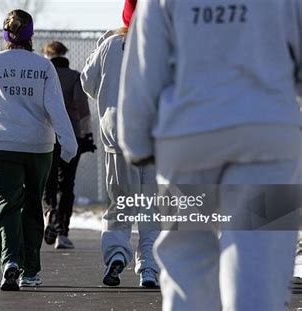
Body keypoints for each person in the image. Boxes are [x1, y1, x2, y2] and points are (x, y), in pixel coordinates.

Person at [118, 0, 302, 310]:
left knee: (187, 255)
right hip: (267, 137)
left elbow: (145, 68)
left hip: (188, 138)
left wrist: (135, 143)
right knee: (261, 259)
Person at [0, 10, 78, 291]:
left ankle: (10, 261)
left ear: (5, 35)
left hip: (1, 144)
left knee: (7, 205)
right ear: (31, 35)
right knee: (33, 205)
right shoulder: (43, 67)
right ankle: (31, 270)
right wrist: (68, 142)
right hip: (37, 146)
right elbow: (55, 107)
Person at [81, 0, 160, 288]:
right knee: (152, 207)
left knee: (121, 203)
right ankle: (149, 267)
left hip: (118, 136)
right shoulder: (162, 44)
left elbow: (87, 83)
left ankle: (116, 254)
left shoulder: (109, 45)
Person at [41, 41, 96, 250]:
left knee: (48, 180)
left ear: (47, 55)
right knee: (67, 184)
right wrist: (87, 135)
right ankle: (63, 232)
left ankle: (49, 212)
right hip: (72, 135)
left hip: (47, 134)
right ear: (65, 54)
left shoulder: (44, 75)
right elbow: (83, 109)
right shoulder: (75, 77)